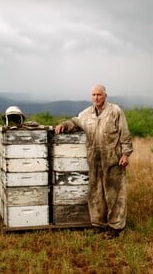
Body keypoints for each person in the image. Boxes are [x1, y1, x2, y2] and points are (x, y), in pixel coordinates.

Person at [55, 84, 133, 238]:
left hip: (113, 160)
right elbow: (75, 122)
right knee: (96, 193)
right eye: (93, 95)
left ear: (105, 96)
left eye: (99, 94)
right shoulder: (86, 114)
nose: (96, 98)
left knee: (114, 194)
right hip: (94, 161)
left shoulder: (115, 111)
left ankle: (115, 228)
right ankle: (98, 224)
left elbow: (124, 134)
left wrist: (126, 154)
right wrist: (63, 125)